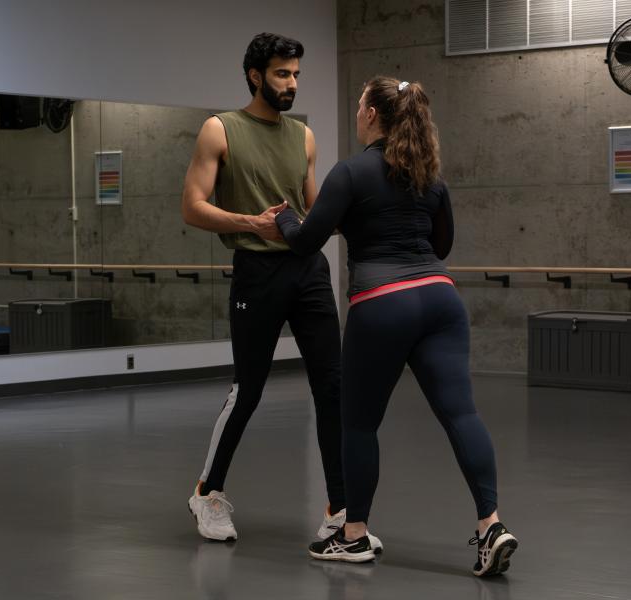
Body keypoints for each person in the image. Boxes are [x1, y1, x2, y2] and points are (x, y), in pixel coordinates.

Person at [272, 76, 518, 576]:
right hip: (440, 301)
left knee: (358, 422)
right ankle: (491, 524)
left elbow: (305, 241)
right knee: (461, 415)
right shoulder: (430, 177)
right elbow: (441, 245)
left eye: (361, 103)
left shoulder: (350, 173)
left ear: (370, 115)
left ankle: (354, 534)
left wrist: (282, 220)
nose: (358, 109)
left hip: (383, 304)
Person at [181, 32, 381, 553]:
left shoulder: (304, 137)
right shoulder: (219, 130)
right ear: (255, 75)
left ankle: (339, 510)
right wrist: (251, 221)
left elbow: (315, 207)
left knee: (332, 388)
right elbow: (193, 206)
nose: (291, 83)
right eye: (281, 74)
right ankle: (208, 492)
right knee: (248, 389)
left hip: (308, 271)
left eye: (295, 74)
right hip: (256, 271)